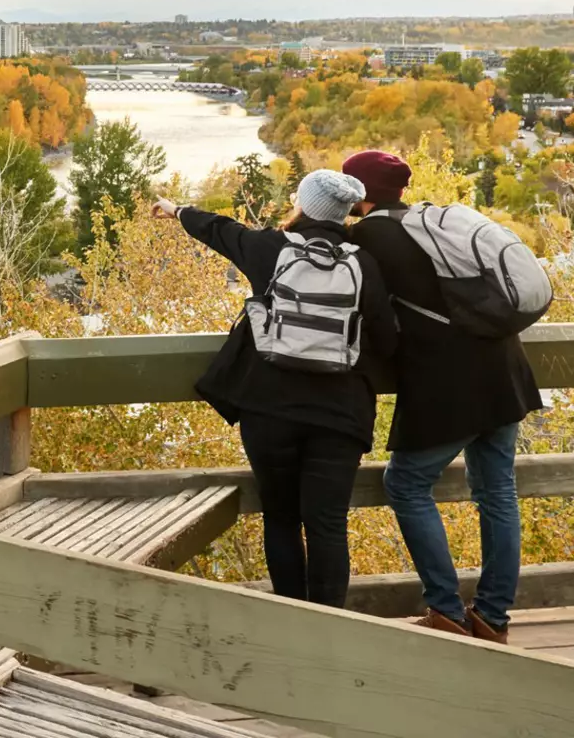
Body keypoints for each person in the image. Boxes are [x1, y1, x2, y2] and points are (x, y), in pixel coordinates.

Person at [154, 169, 397, 608]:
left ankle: (290, 620)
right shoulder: (364, 264)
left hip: (269, 408)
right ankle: (328, 628)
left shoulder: (270, 248)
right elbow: (386, 337)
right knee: (328, 526)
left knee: (281, 519)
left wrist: (177, 211)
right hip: (340, 415)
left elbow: (221, 231)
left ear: (303, 204)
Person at [341, 149, 543, 643]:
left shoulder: (370, 236)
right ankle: (492, 618)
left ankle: (446, 610)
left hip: (449, 381)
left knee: (406, 484)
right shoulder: (429, 225)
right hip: (504, 369)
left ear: (360, 194)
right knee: (497, 493)